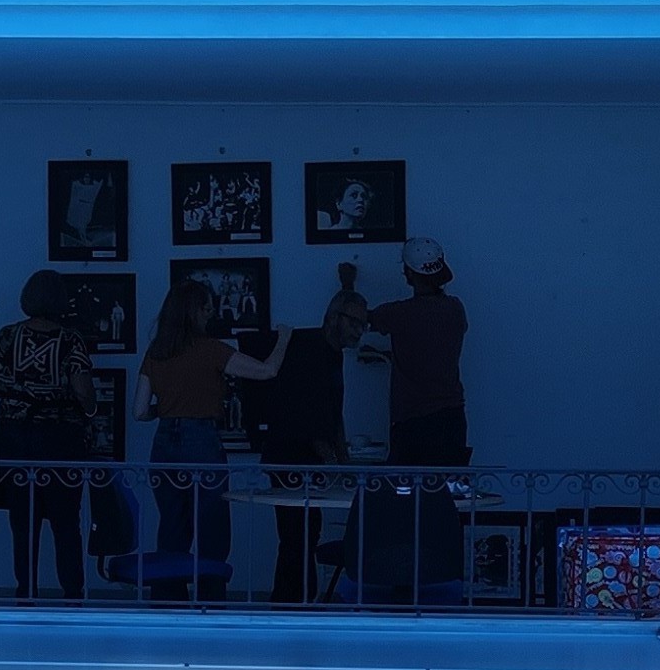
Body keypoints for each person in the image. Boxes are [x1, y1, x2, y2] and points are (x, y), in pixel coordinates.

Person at [0, 272, 98, 598]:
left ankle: (26, 593)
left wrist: (17, 395)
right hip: (61, 440)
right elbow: (83, 390)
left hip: (15, 438)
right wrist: (89, 412)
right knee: (66, 523)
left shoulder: (6, 337)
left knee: (23, 523)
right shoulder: (71, 341)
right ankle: (72, 595)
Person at [234, 312, 348, 600]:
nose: (360, 330)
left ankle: (293, 600)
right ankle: (293, 601)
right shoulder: (313, 356)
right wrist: (336, 462)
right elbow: (315, 418)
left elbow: (330, 417)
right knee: (297, 534)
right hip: (293, 457)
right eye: (355, 323)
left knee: (300, 533)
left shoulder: (322, 355)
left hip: (292, 457)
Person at [139, 275, 235, 599]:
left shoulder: (157, 351)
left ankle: (168, 603)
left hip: (165, 441)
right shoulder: (211, 349)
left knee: (172, 527)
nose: (211, 313)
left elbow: (139, 411)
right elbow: (266, 371)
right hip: (202, 441)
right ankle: (211, 604)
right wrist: (284, 340)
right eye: (207, 307)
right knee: (213, 529)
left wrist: (165, 409)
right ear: (196, 311)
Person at [376, 238, 470, 463]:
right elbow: (433, 350)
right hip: (452, 417)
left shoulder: (399, 314)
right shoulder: (455, 309)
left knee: (405, 483)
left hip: (412, 421)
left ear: (409, 273)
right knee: (447, 483)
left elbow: (357, 319)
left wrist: (347, 286)